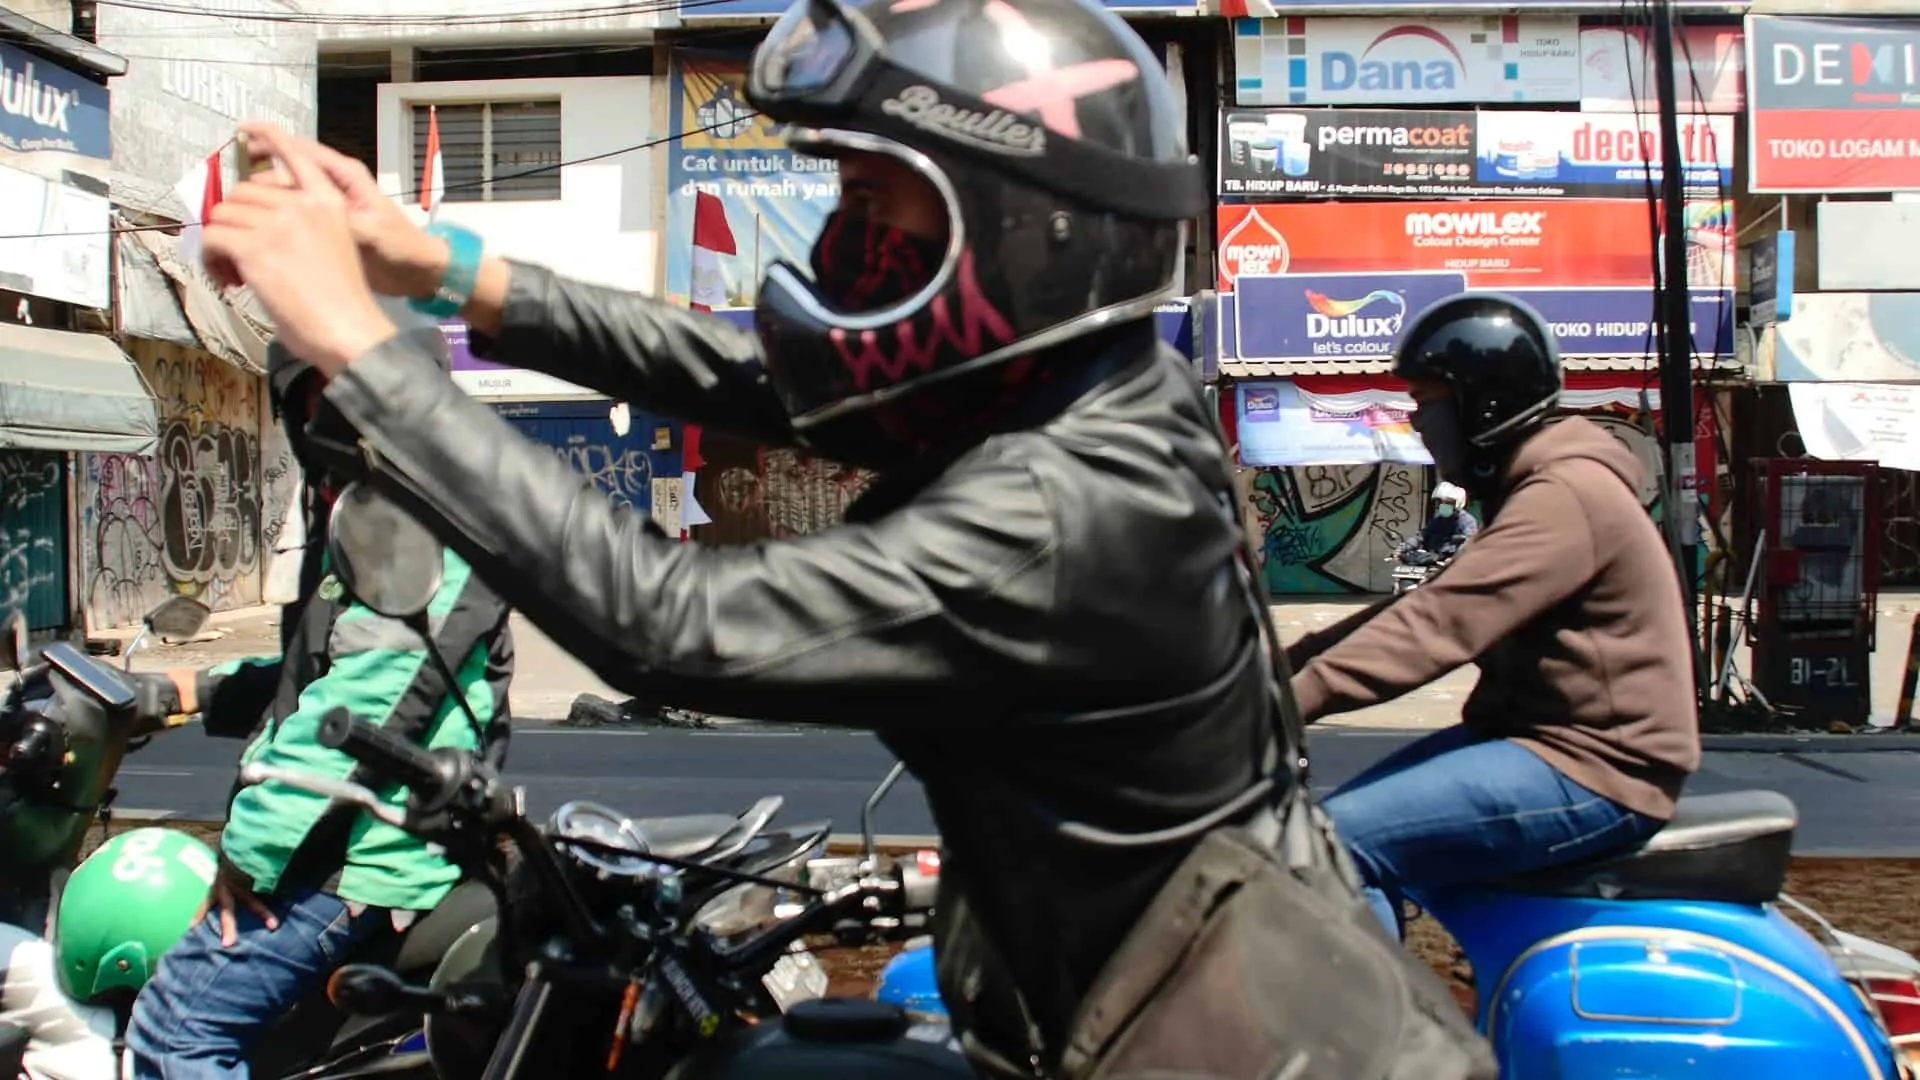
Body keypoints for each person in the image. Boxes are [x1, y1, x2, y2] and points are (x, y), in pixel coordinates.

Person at [176, 1, 1503, 1075]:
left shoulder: (1063, 506)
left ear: (1023, 228)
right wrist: (447, 270)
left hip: (1205, 1045)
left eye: (885, 202)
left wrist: (356, 346)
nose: (847, 241)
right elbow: (754, 373)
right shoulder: (1080, 387)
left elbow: (672, 625)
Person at [122, 360, 514, 1080]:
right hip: (360, 836)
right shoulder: (367, 510)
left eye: (345, 404)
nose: (327, 428)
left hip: (358, 854)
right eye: (313, 409)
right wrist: (196, 692)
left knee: (175, 1027)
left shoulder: (421, 526)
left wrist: (250, 854)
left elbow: (366, 708)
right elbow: (320, 665)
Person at [1286, 293, 1703, 938]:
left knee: (1328, 851)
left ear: (1482, 406)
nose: (1417, 424)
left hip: (1594, 767)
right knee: (1331, 826)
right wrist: (1276, 669)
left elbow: (1441, 625)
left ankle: (1379, 1039)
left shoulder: (1564, 495)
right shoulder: (1537, 486)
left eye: (1426, 403)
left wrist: (1288, 701)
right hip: (1539, 743)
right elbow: (1418, 607)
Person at [1396, 482, 1477, 567]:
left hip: (1454, 563)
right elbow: (1422, 535)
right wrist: (1404, 547)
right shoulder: (1438, 519)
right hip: (1433, 560)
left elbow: (1469, 542)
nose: (1442, 506)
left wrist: (1455, 559)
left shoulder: (1467, 521)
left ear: (1457, 504)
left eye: (1447, 503)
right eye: (1440, 502)